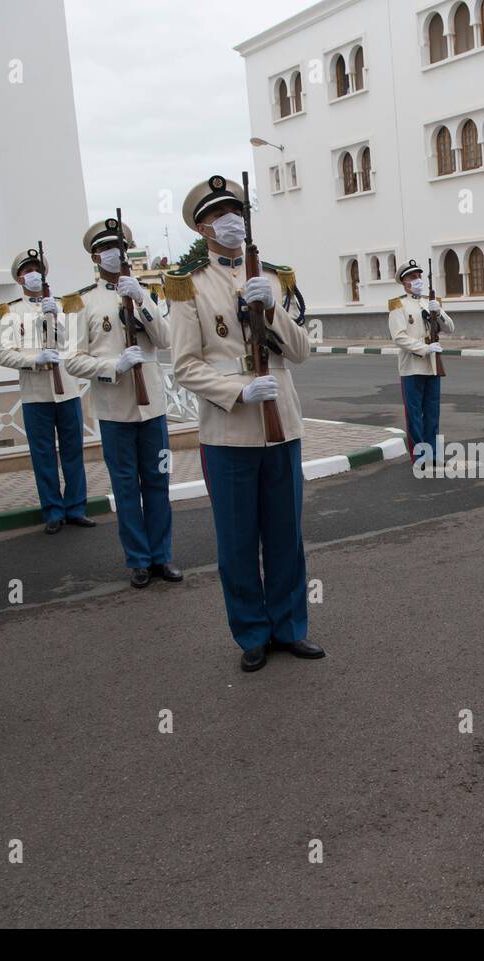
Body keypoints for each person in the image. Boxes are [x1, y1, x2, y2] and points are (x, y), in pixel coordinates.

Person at [167, 174, 323, 673]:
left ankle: (289, 627)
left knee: (285, 535)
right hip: (230, 431)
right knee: (237, 540)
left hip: (283, 424)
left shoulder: (274, 276)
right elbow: (185, 365)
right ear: (201, 227)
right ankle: (251, 632)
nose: (231, 221)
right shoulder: (187, 283)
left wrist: (273, 307)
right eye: (219, 215)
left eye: (237, 211)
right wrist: (237, 390)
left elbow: (300, 352)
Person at [63, 216, 181, 589]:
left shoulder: (148, 291)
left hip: (153, 408)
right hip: (114, 408)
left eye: (120, 247)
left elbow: (163, 338)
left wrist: (142, 298)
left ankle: (162, 555)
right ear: (96, 256)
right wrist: (112, 365)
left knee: (158, 481)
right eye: (107, 249)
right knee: (126, 486)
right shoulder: (79, 302)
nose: (115, 254)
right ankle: (138, 559)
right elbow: (72, 359)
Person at [0, 249, 94, 534]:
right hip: (36, 394)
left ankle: (76, 507)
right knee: (43, 455)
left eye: (37, 268)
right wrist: (33, 360)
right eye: (27, 269)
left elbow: (74, 346)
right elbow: (3, 355)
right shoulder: (11, 312)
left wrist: (57, 319)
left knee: (73, 451)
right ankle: (53, 511)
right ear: (19, 277)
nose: (33, 274)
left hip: (67, 392)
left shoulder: (65, 305)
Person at [388, 259, 454, 467]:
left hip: (433, 365)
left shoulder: (430, 301)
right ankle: (419, 455)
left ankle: (433, 452)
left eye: (419, 276)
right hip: (412, 366)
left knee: (432, 412)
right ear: (404, 282)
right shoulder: (398, 304)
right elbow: (399, 337)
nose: (417, 280)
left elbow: (450, 328)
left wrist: (440, 312)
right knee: (415, 414)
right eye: (412, 277)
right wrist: (424, 348)